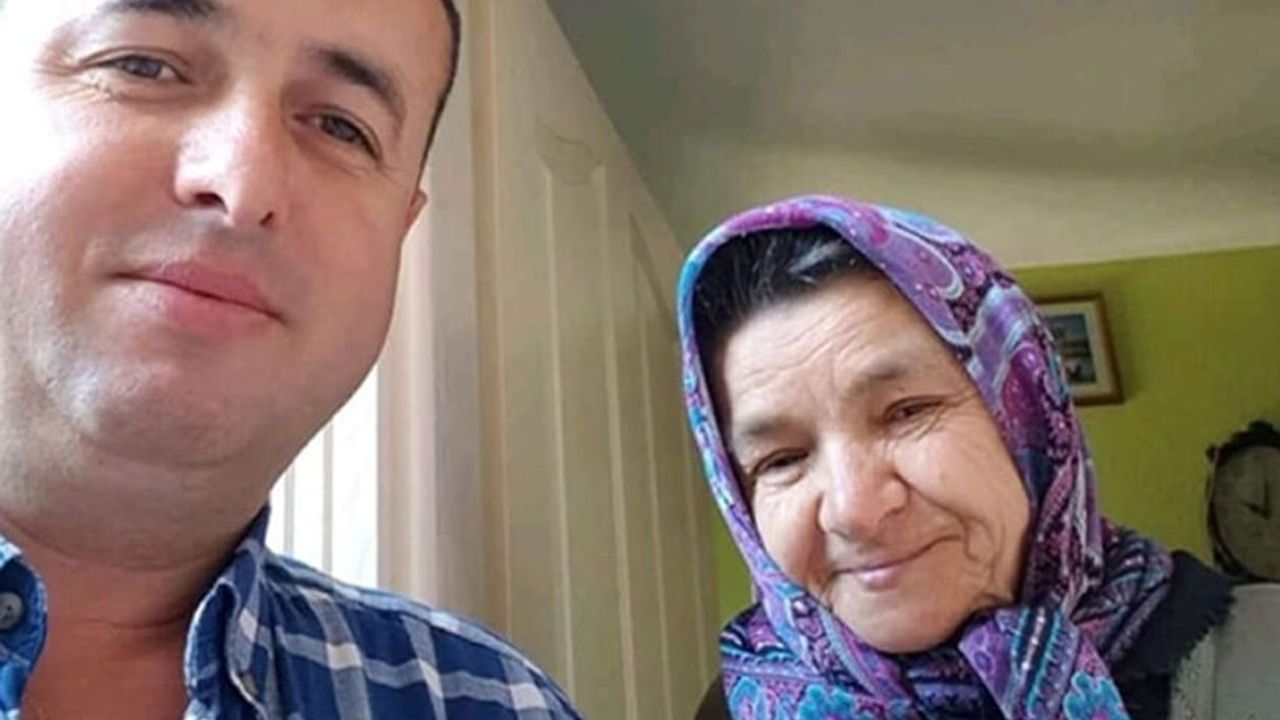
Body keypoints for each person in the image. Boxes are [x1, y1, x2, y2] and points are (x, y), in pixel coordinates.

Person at [0, 0, 580, 717]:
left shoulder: (495, 703)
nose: (245, 186)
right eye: (142, 66)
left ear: (400, 231)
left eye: (341, 127)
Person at [680, 195, 1279, 719]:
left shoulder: (1261, 653)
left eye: (907, 411)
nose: (853, 510)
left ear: (1028, 420)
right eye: (781, 459)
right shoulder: (733, 707)